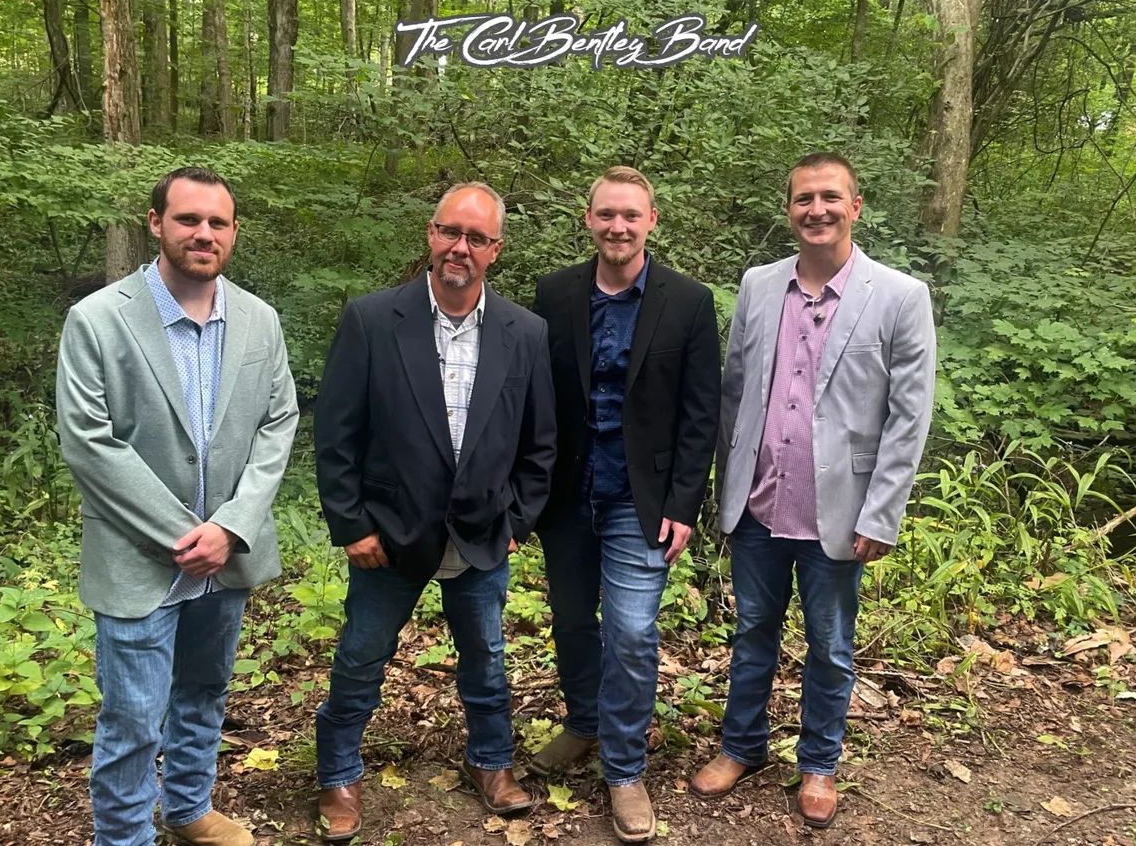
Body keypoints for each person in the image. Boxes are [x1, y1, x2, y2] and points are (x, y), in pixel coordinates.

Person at [689, 153, 936, 827]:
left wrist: (882, 513)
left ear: (855, 206)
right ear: (789, 209)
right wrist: (725, 487)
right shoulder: (760, 285)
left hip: (840, 511)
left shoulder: (899, 296)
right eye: (804, 198)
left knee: (829, 645)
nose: (816, 209)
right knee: (752, 634)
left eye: (830, 197)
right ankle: (741, 747)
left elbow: (909, 416)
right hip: (759, 504)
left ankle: (819, 763)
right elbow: (735, 390)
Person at [56, 166, 299, 846]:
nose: (203, 233)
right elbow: (87, 440)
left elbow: (278, 423)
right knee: (133, 719)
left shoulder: (259, 321)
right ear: (156, 223)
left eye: (218, 222)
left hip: (227, 559)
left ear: (234, 232)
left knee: (203, 694)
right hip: (139, 560)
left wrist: (231, 527)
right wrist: (184, 534)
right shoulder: (98, 320)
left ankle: (188, 808)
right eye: (189, 219)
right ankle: (124, 837)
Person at [313, 182, 557, 842]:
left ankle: (492, 762)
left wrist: (516, 522)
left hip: (481, 533)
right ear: (430, 234)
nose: (460, 247)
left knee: (487, 657)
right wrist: (352, 524)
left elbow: (541, 443)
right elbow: (336, 433)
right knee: (361, 657)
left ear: (495, 250)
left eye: (476, 238)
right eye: (451, 231)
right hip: (389, 535)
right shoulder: (372, 319)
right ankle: (338, 774)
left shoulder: (525, 332)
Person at [531, 166, 721, 843]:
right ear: (589, 219)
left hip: (642, 500)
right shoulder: (554, 293)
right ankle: (584, 721)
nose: (618, 226)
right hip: (566, 495)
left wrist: (685, 503)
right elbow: (535, 397)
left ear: (651, 221)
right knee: (572, 620)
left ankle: (625, 768)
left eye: (630, 215)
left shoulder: (688, 302)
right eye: (606, 214)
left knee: (633, 632)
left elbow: (701, 412)